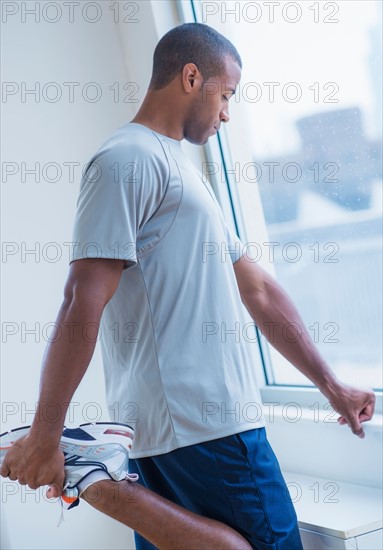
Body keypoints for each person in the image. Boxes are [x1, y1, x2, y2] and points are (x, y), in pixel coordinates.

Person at [0, 22, 375, 550]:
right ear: (191, 76)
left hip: (176, 430)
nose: (226, 113)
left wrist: (331, 386)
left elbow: (259, 291)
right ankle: (87, 475)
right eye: (226, 95)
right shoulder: (126, 159)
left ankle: (90, 475)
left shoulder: (182, 173)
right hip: (205, 425)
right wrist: (44, 436)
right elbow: (81, 297)